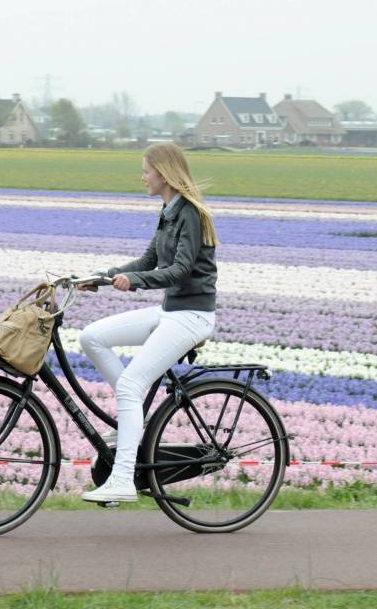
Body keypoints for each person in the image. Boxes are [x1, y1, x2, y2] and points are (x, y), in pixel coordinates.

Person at [78, 143, 219, 503]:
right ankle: (133, 414)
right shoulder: (168, 211)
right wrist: (101, 277)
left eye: (146, 170)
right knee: (92, 336)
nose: (142, 177)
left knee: (128, 384)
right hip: (171, 311)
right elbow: (148, 259)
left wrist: (136, 283)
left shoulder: (189, 213)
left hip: (192, 316)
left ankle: (122, 481)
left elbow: (181, 269)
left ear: (164, 173)